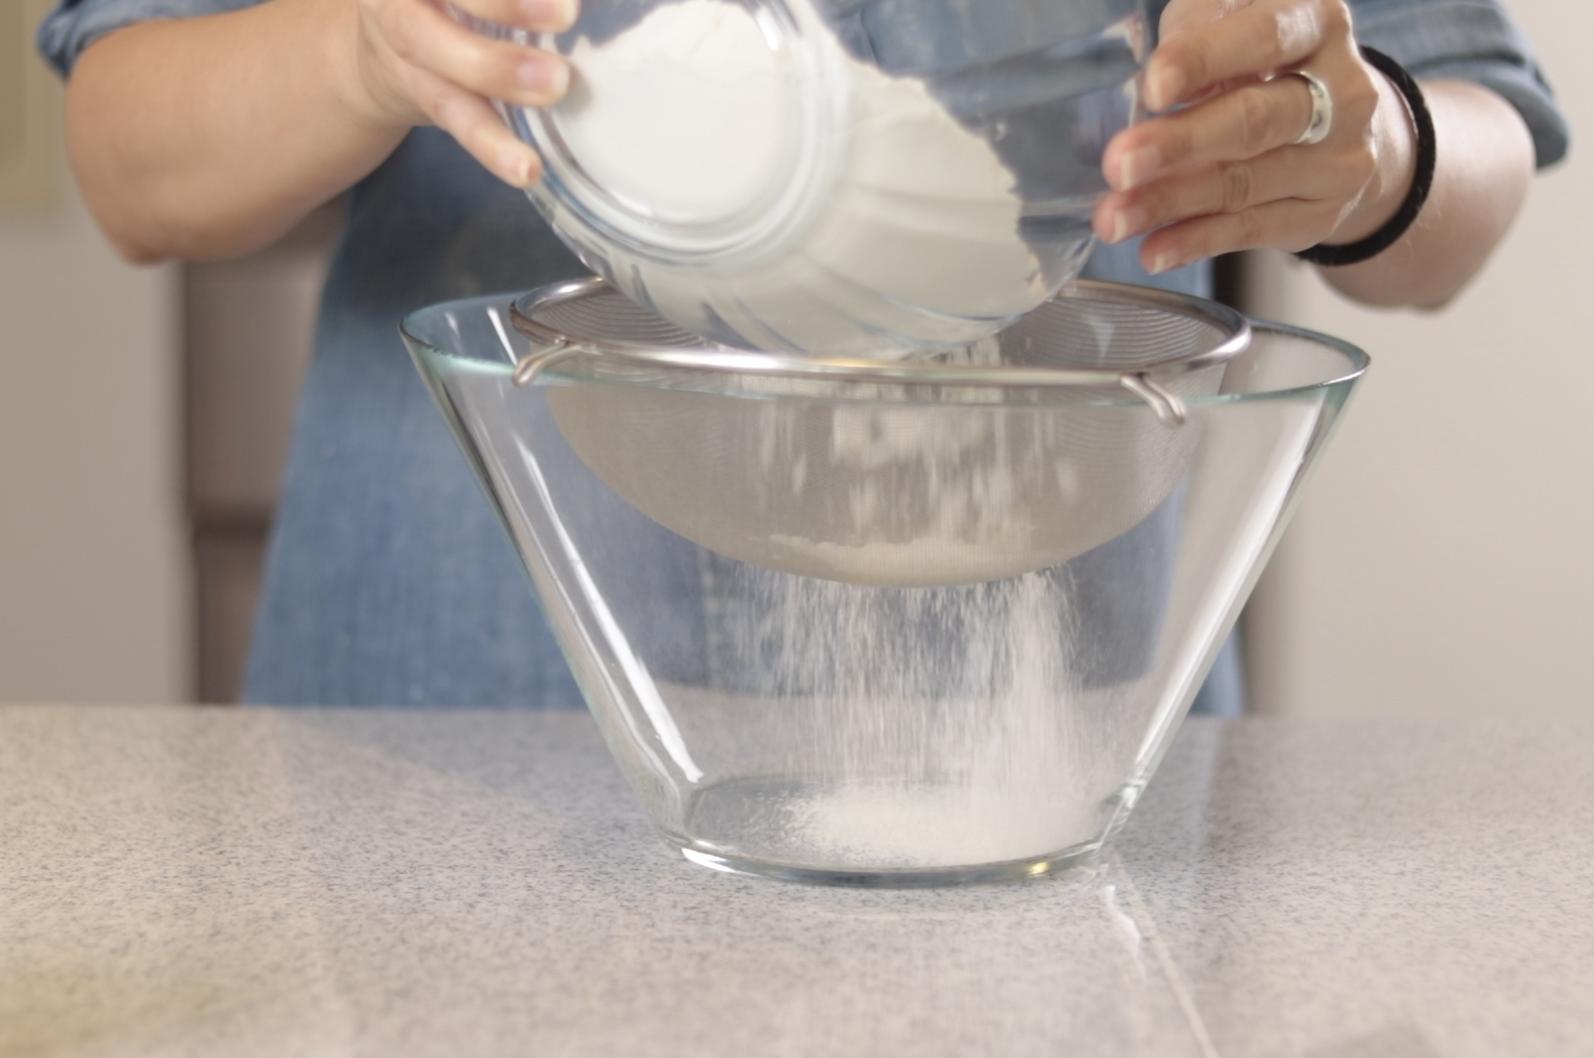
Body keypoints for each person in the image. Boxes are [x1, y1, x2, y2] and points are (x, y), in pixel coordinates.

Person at [39, 0, 1568, 713]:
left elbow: (1472, 136)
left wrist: (1372, 150)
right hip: (468, 687)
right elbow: (130, 158)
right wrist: (353, 51)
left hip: (1027, 714)